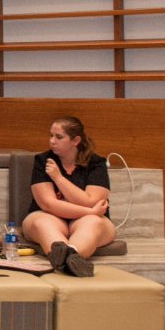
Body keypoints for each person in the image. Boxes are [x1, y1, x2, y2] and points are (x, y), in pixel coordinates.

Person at [21, 116, 114, 278]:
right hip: (51, 216)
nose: (52, 141)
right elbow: (48, 204)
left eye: (59, 137)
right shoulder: (43, 161)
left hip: (88, 220)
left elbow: (93, 200)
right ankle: (72, 259)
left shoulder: (96, 163)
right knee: (42, 223)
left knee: (93, 223)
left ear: (75, 140)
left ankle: (68, 256)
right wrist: (91, 211)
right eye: (51, 136)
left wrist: (59, 178)